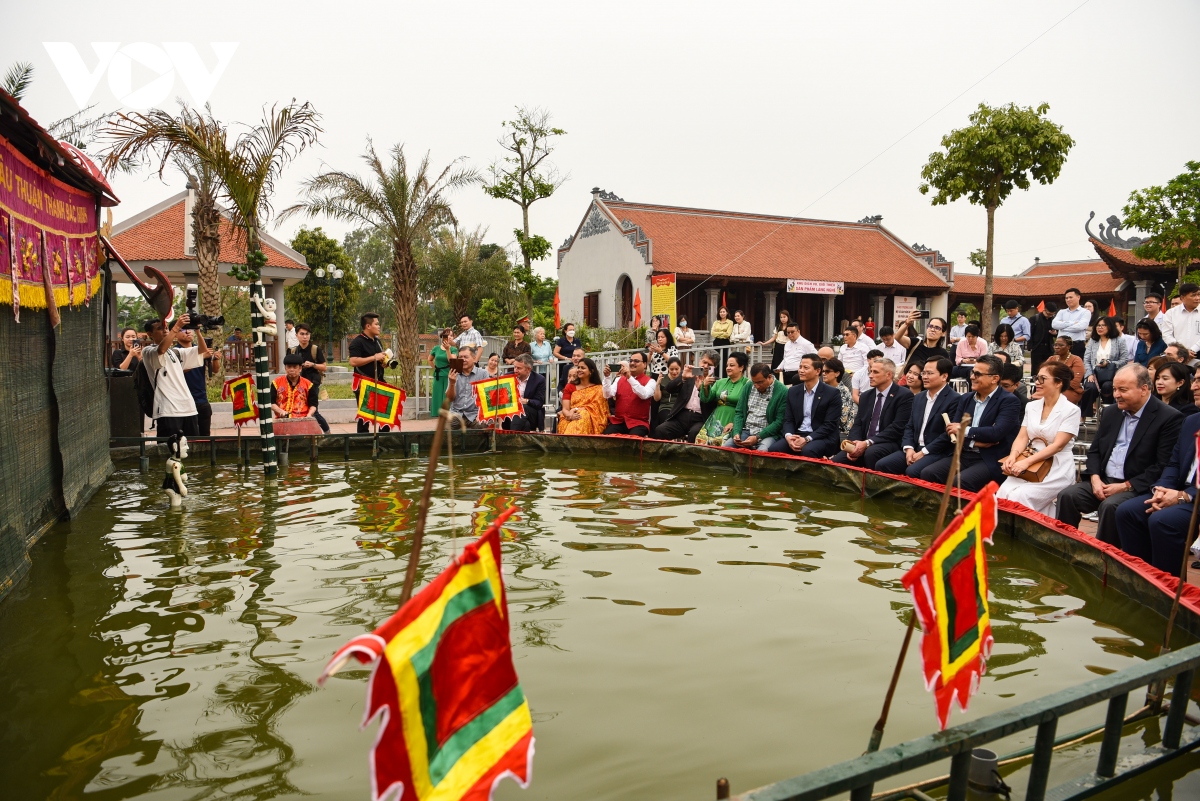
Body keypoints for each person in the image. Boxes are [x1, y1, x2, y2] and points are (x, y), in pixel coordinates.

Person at [1056, 364, 1183, 544]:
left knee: (1110, 506)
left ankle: (1104, 559)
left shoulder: (1168, 417)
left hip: (1137, 485)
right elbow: (1095, 450)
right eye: (1115, 389)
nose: (1116, 394)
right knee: (1067, 496)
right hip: (1104, 480)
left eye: (1123, 390)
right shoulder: (1111, 412)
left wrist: (1126, 485)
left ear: (1144, 389)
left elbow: (1162, 466)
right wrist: (1094, 478)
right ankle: (1063, 547)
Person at [916, 355, 1022, 492]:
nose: (972, 377)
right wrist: (974, 442)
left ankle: (962, 513)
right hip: (964, 453)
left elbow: (996, 433)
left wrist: (964, 430)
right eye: (972, 372)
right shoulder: (966, 399)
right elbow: (951, 431)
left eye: (978, 374)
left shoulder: (1008, 401)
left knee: (960, 482)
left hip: (989, 458)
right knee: (928, 473)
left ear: (994, 378)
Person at [1114, 411, 1200, 574]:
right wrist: (1161, 489)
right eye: (1195, 382)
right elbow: (1174, 463)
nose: (1194, 387)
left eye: (1198, 383)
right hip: (1178, 490)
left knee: (1162, 520)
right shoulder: (1192, 421)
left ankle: (1168, 590)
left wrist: (1184, 495)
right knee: (1127, 512)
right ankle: (1141, 580)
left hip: (1195, 497)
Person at [995, 361, 1082, 515]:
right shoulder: (1031, 406)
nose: (1037, 382)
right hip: (1028, 462)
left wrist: (1026, 462)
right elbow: (1022, 436)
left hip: (1056, 466)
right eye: (1037, 378)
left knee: (1019, 496)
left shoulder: (1071, 410)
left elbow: (1058, 445)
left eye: (1042, 379)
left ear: (1058, 383)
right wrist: (1013, 456)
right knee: (1003, 493)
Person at [875, 357, 959, 478]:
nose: (924, 377)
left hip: (936, 451)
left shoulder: (954, 399)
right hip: (914, 447)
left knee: (913, 471)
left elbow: (947, 435)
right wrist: (908, 448)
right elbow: (910, 426)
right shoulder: (919, 397)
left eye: (929, 373)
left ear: (944, 376)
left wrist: (923, 452)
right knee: (882, 465)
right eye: (923, 373)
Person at [830, 358, 913, 468]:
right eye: (870, 371)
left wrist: (868, 443)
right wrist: (854, 443)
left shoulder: (904, 395)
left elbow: (897, 427)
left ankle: (870, 484)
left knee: (871, 453)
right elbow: (858, 423)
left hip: (889, 442)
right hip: (864, 442)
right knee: (837, 461)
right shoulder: (866, 396)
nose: (870, 375)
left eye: (875, 372)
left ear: (889, 375)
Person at [141, 314, 212, 439]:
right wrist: (176, 327)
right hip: (168, 410)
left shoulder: (175, 352)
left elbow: (202, 350)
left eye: (166, 327)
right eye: (159, 328)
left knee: (192, 449)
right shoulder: (148, 351)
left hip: (189, 408)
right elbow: (161, 350)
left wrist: (197, 330)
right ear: (149, 334)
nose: (165, 330)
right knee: (170, 450)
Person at [767, 354, 843, 457]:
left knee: (808, 451)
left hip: (821, 436)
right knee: (774, 449)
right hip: (798, 434)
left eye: (805, 368)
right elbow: (788, 419)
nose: (801, 370)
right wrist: (789, 436)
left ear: (818, 371)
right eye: (800, 367)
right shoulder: (793, 391)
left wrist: (807, 439)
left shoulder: (832, 393)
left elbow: (829, 425)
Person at [653, 352, 717, 441]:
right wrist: (682, 378)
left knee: (694, 434)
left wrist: (703, 388)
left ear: (715, 367)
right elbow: (669, 389)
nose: (705, 366)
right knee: (661, 430)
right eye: (704, 362)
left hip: (700, 418)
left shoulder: (716, 382)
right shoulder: (688, 375)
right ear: (699, 361)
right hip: (681, 415)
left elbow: (711, 403)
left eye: (710, 364)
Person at [728, 362, 788, 451]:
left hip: (768, 434)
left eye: (760, 382)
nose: (756, 386)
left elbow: (779, 422)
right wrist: (736, 432)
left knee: (761, 452)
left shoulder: (782, 391)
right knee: (727, 447)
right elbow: (739, 412)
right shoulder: (749, 386)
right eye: (754, 382)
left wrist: (758, 437)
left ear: (769, 377)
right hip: (746, 429)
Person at [696, 351, 750, 445]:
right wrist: (705, 386)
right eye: (727, 365)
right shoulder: (720, 382)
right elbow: (706, 399)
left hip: (735, 418)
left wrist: (735, 423)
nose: (728, 368)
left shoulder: (748, 384)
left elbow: (749, 408)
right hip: (716, 418)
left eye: (732, 365)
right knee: (701, 440)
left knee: (722, 443)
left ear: (741, 367)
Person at [349, 313, 390, 433]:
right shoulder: (357, 342)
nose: (379, 326)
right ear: (368, 326)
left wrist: (384, 363)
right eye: (376, 324)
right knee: (365, 417)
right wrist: (374, 357)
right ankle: (363, 443)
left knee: (385, 415)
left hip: (379, 381)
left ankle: (384, 441)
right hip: (364, 383)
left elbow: (377, 358)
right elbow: (353, 361)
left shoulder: (377, 341)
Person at [1082, 316, 1130, 416]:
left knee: (1107, 387)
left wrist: (1110, 363)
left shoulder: (1119, 341)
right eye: (1098, 325)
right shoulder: (1093, 341)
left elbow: (1124, 360)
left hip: (1111, 375)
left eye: (1103, 325)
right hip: (1094, 374)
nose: (1100, 328)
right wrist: (1089, 374)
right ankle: (1084, 416)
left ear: (1110, 327)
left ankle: (1108, 415)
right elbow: (1086, 360)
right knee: (1089, 387)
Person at [288, 323, 329, 433]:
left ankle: (327, 432)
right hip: (297, 384)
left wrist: (313, 365)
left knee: (313, 411)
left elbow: (324, 367)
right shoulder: (293, 351)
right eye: (302, 334)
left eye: (307, 334)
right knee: (297, 409)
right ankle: (303, 433)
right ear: (296, 335)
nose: (305, 336)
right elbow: (288, 367)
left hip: (312, 384)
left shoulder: (315, 349)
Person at [603, 352, 656, 436]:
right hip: (619, 421)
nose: (632, 363)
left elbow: (644, 394)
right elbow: (607, 394)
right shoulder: (619, 379)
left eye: (636, 361)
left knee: (633, 442)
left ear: (645, 364)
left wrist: (629, 378)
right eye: (631, 361)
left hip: (638, 423)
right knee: (605, 438)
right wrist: (607, 377)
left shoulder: (651, 381)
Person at [174, 328, 214, 436]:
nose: (188, 332)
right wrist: (200, 358)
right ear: (174, 334)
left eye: (190, 329)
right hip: (184, 401)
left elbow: (215, 370)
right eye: (183, 330)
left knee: (205, 435)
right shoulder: (175, 352)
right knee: (189, 436)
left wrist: (215, 359)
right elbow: (177, 371)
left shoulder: (200, 349)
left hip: (202, 399)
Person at [558, 358, 608, 435]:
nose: (579, 370)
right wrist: (570, 416)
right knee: (580, 416)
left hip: (592, 420)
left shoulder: (598, 388)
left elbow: (600, 409)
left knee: (583, 414)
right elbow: (565, 409)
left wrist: (578, 409)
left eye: (583, 368)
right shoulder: (570, 386)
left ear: (591, 371)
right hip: (569, 417)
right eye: (578, 367)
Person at [445, 347, 491, 428]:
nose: (463, 360)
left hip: (475, 413)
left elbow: (486, 398)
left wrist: (481, 414)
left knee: (483, 426)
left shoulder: (483, 374)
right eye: (460, 357)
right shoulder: (453, 373)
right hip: (456, 413)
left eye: (466, 357)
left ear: (474, 358)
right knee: (446, 429)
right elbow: (450, 399)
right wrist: (452, 383)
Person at [501, 355, 546, 431]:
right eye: (514, 367)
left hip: (531, 412)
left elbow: (539, 402)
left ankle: (511, 437)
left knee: (522, 407)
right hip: (510, 413)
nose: (515, 370)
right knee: (525, 425)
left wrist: (526, 401)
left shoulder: (539, 380)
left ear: (528, 369)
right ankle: (516, 440)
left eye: (519, 368)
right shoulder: (507, 377)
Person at [271, 353, 319, 420]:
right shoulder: (276, 383)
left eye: (294, 367)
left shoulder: (308, 384)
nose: (291, 369)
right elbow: (271, 403)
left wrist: (309, 415)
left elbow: (313, 405)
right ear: (285, 368)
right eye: (289, 367)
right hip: (281, 419)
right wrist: (281, 411)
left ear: (300, 368)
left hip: (302, 419)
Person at [1160, 283, 1200, 359]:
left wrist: (1193, 349)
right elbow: (1166, 335)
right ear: (1182, 297)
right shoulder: (1171, 313)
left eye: (1199, 295)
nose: (1197, 298)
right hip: (1177, 355)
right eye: (1193, 295)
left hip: (1197, 353)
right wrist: (1181, 351)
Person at [1043, 335, 1085, 405]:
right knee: (1037, 398)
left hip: (1069, 390)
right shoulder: (1051, 359)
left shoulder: (1076, 360)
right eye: (1055, 344)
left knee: (1058, 399)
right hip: (1050, 388)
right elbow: (1042, 375)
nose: (1056, 347)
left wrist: (1055, 387)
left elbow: (1074, 382)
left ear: (1068, 347)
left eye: (1060, 345)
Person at [821, 357, 856, 438]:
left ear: (837, 373)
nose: (823, 374)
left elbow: (842, 420)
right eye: (823, 371)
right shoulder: (821, 389)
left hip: (840, 432)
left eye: (827, 371)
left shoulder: (843, 392)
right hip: (823, 428)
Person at [1053, 288, 1091, 357]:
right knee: (1059, 367)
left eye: (1070, 297)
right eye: (1066, 298)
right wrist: (1072, 323)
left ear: (1078, 297)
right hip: (1061, 345)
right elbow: (1054, 325)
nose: (1068, 300)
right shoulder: (1061, 312)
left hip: (1077, 345)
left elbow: (1080, 327)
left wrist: (1062, 327)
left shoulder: (1085, 312)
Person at [428, 328, 458, 413]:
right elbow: (429, 359)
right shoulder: (436, 348)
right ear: (443, 336)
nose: (449, 337)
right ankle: (437, 414)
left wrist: (448, 349)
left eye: (451, 335)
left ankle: (448, 413)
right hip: (438, 375)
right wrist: (435, 368)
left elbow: (452, 361)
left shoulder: (454, 349)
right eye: (447, 335)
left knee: (447, 396)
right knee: (437, 395)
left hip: (449, 375)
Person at [839, 327, 873, 395]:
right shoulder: (843, 347)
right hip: (844, 375)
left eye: (847, 335)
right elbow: (840, 363)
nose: (844, 337)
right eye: (844, 335)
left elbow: (867, 364)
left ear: (854, 336)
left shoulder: (863, 347)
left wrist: (856, 374)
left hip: (859, 375)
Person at [1029, 301, 1059, 374]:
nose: (1049, 316)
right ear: (1044, 309)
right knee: (1036, 368)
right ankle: (1035, 384)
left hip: (1049, 348)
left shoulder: (1054, 320)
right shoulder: (1035, 318)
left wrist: (1055, 333)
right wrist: (1031, 346)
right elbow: (1030, 333)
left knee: (1048, 368)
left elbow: (1058, 333)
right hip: (1037, 347)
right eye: (1048, 314)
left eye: (1052, 314)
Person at [553, 323, 582, 388]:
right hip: (564, 365)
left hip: (576, 365)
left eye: (573, 330)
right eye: (570, 330)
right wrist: (566, 358)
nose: (572, 331)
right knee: (564, 381)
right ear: (565, 331)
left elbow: (580, 351)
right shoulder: (561, 341)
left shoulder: (577, 341)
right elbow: (555, 353)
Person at [710, 306, 733, 374]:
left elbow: (728, 334)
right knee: (716, 359)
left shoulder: (730, 322)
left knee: (724, 360)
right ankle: (716, 375)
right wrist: (723, 332)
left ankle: (724, 375)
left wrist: (718, 332)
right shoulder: (716, 322)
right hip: (716, 342)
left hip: (725, 342)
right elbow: (713, 333)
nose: (722, 313)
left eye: (723, 312)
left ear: (727, 313)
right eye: (720, 312)